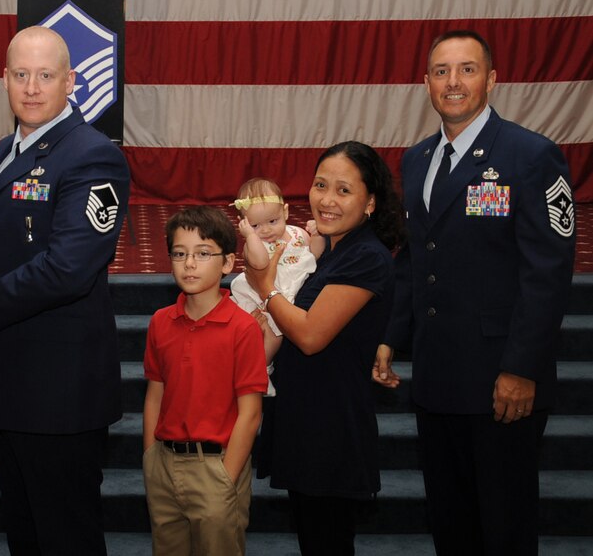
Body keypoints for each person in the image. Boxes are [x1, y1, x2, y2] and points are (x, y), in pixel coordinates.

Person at [376, 30, 576, 555]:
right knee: (452, 523)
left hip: (501, 381)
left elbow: (547, 274)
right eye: (441, 71)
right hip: (438, 376)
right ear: (426, 83)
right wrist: (390, 339)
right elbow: (416, 260)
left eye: (467, 69)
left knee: (504, 528)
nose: (453, 82)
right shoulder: (416, 158)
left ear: (491, 79)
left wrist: (521, 369)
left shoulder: (531, 156)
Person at [0, 26, 130, 555]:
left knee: (66, 537)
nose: (33, 87)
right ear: (4, 79)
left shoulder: (93, 156)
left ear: (71, 81)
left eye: (46, 76)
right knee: (25, 533)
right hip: (9, 381)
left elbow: (67, 268)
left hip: (59, 393)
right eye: (21, 75)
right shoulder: (3, 150)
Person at [247, 141, 406, 554]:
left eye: (343, 190)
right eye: (320, 185)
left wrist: (266, 292)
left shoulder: (366, 256)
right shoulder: (331, 249)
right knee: (313, 536)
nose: (327, 200)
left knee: (326, 541)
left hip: (329, 426)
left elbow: (311, 336)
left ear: (370, 202)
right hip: (305, 416)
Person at [142, 206, 267, 555]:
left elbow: (251, 412)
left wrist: (227, 476)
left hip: (217, 465)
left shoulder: (242, 329)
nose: (189, 264)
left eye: (203, 254)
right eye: (179, 254)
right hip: (164, 463)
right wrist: (151, 458)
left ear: (227, 263)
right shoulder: (160, 321)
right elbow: (155, 393)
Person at [230, 177, 324, 392]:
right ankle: (262, 368)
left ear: (286, 212)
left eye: (273, 221)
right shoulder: (254, 245)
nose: (265, 230)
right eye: (255, 225)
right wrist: (249, 237)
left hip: (294, 287)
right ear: (243, 223)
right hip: (265, 289)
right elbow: (261, 263)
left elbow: (313, 256)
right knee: (274, 334)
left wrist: (317, 235)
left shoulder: (297, 234)